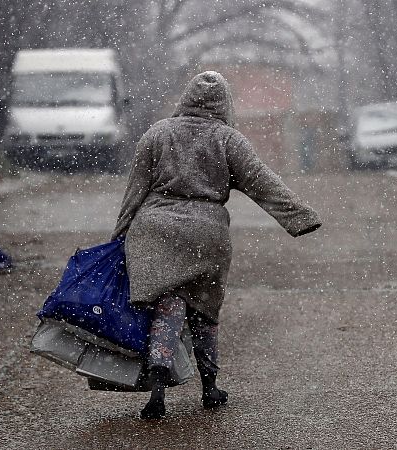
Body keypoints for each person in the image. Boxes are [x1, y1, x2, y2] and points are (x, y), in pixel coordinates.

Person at [112, 71, 322, 420]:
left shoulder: (158, 133)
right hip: (206, 234)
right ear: (225, 103)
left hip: (155, 229)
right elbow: (262, 182)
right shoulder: (229, 140)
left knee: (167, 304)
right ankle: (209, 388)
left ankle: (158, 385)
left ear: (185, 98)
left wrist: (118, 237)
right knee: (205, 310)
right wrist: (300, 217)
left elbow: (134, 192)